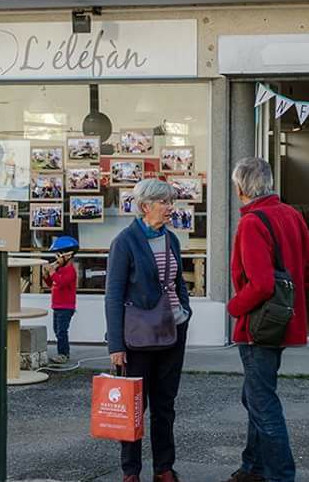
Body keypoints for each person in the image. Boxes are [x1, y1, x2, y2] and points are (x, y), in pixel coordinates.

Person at [226, 157, 309, 482]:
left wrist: (235, 307)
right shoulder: (291, 215)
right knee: (254, 394)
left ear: (240, 188)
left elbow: (262, 284)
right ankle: (252, 467)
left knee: (263, 403)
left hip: (257, 326)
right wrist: (287, 297)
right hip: (282, 321)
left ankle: (280, 475)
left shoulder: (252, 222)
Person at [105, 179, 192, 482]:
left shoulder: (171, 239)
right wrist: (116, 344)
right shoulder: (125, 242)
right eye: (165, 203)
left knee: (165, 406)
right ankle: (131, 471)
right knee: (134, 407)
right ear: (145, 207)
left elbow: (179, 280)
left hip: (173, 330)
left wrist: (185, 309)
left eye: (171, 202)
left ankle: (164, 468)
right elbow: (113, 295)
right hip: (137, 338)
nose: (171, 208)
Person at [44, 236, 79, 365]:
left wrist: (52, 272)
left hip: (66, 307)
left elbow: (61, 282)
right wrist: (46, 275)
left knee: (62, 331)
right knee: (57, 330)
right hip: (57, 306)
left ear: (68, 256)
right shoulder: (59, 269)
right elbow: (51, 284)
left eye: (58, 256)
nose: (56, 259)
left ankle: (63, 354)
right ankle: (63, 352)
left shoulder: (70, 271)